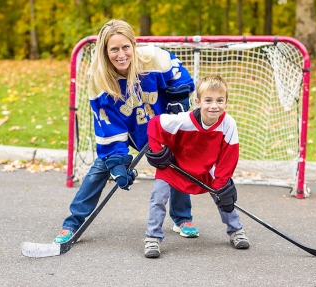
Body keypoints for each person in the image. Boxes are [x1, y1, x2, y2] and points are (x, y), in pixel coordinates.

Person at [53, 19, 200, 244]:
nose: (121, 54)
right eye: (114, 49)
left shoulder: (153, 58)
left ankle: (182, 218)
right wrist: (118, 163)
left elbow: (179, 79)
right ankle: (73, 223)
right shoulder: (100, 79)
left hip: (161, 124)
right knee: (100, 168)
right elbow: (108, 124)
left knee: (176, 161)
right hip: (129, 130)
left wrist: (176, 105)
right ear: (105, 51)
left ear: (133, 45)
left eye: (125, 47)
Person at [143, 75, 250, 258]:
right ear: (198, 102)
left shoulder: (228, 124)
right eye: (208, 100)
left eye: (219, 100)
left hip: (206, 167)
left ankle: (236, 230)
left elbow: (229, 156)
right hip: (174, 166)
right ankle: (153, 237)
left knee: (224, 195)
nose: (214, 106)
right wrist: (156, 150)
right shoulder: (182, 120)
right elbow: (154, 125)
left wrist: (221, 183)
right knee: (158, 197)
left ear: (226, 102)